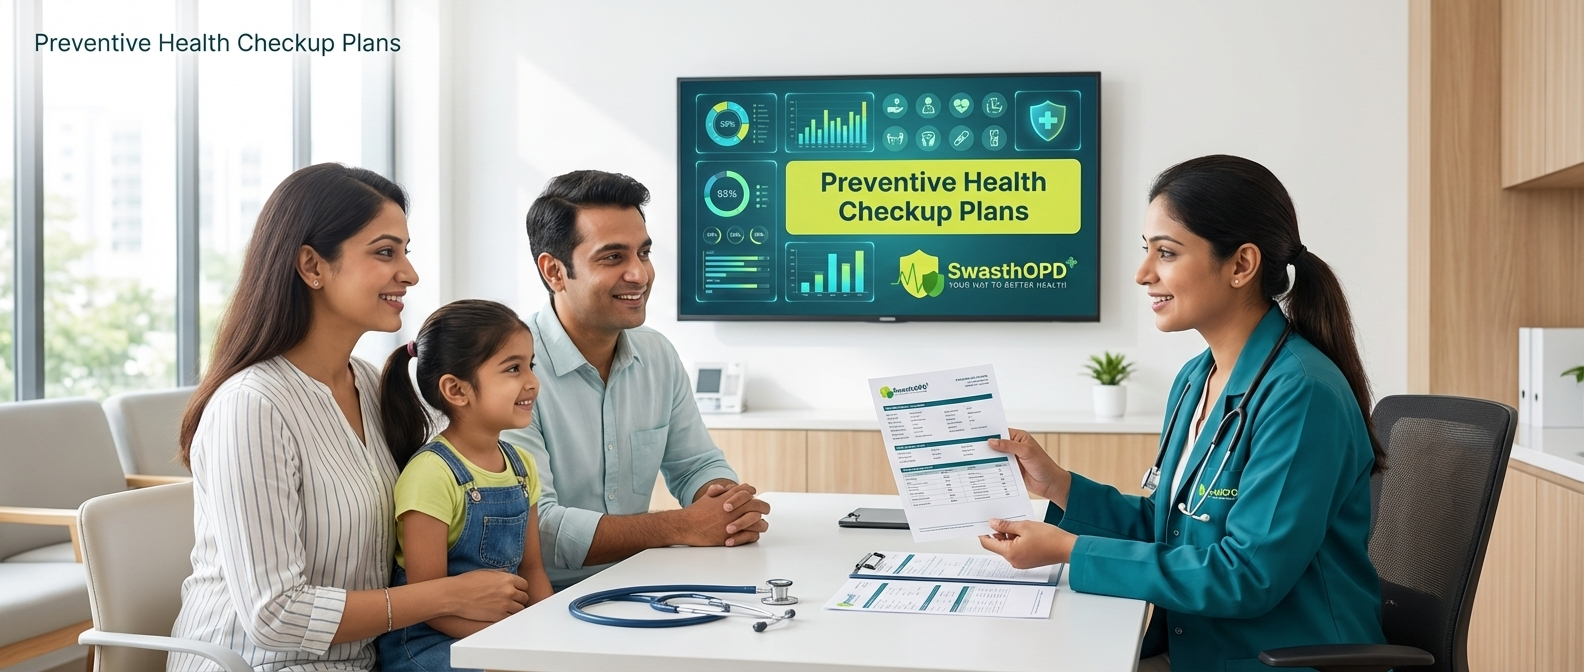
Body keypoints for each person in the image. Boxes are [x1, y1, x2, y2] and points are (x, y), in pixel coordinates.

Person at [978, 155, 1387, 670]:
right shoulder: (1198, 378)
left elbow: (1247, 574)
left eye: (1166, 253)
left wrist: (1070, 551)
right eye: (1146, 251)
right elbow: (1171, 527)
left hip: (1278, 659)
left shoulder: (1302, 394)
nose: (1142, 273)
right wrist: (1058, 485)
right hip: (1199, 649)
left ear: (1241, 265)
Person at [170, 165, 531, 671]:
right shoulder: (251, 406)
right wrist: (448, 596)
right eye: (386, 252)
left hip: (366, 660)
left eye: (406, 250)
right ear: (312, 266)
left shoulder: (366, 381)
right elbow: (275, 615)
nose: (409, 273)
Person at [501, 170, 770, 590]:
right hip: (536, 602)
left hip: (637, 585)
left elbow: (696, 464)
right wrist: (682, 527)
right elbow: (538, 528)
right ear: (555, 272)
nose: (639, 275)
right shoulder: (506, 369)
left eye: (643, 253)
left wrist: (723, 503)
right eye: (613, 257)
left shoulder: (657, 353)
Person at [375, 299, 555, 671]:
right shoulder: (431, 474)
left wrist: (546, 633)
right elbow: (427, 602)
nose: (532, 381)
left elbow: (533, 570)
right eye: (513, 369)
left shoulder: (523, 466)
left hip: (500, 634)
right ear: (457, 390)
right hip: (429, 641)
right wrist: (508, 640)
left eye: (530, 366)